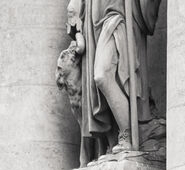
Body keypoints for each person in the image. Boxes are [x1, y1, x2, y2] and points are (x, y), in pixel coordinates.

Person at [65, 0, 164, 159]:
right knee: (102, 83)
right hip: (93, 25)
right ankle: (114, 140)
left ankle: (126, 134)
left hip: (117, 18)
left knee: (102, 75)